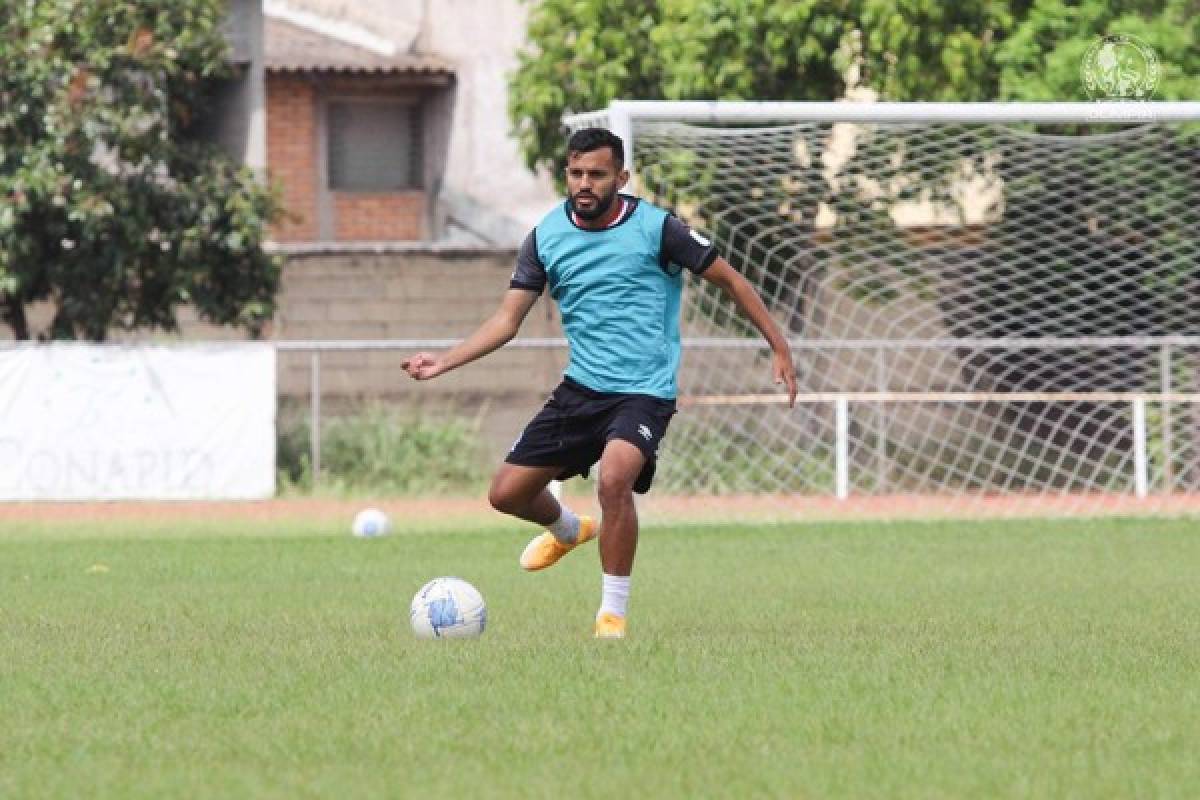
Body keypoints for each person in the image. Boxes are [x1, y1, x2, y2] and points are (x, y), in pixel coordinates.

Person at [403, 128, 797, 639]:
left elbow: (732, 281)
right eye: (576, 173)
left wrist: (779, 346)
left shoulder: (658, 229)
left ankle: (611, 614)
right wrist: (444, 362)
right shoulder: (545, 237)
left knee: (615, 479)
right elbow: (506, 321)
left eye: (597, 174)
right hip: (581, 390)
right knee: (505, 495)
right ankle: (568, 529)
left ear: (621, 177)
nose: (585, 183)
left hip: (644, 392)